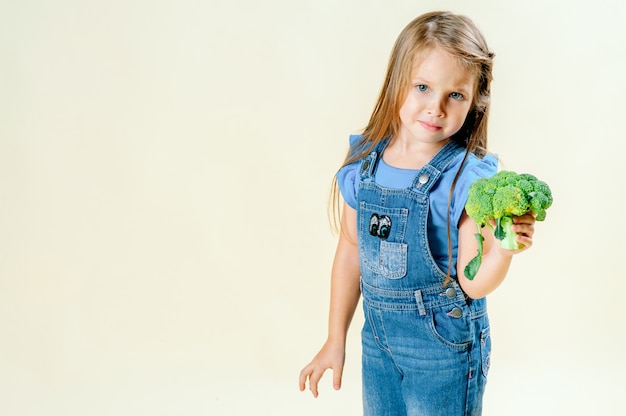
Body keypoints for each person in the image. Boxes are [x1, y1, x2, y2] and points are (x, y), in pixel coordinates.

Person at [298, 11, 537, 416]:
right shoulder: (364, 163)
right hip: (377, 343)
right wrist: (334, 338)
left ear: (474, 100)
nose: (436, 108)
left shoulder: (466, 177)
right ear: (397, 83)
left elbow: (472, 283)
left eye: (455, 95)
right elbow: (350, 253)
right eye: (423, 87)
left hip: (442, 346)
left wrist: (500, 252)